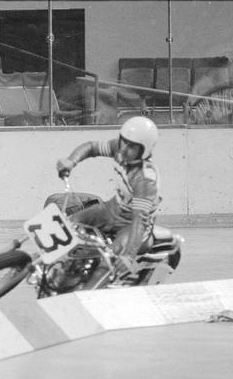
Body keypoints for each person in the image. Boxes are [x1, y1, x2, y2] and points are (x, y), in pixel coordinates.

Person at [55, 115, 161, 287]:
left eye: (132, 146)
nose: (125, 149)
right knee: (68, 224)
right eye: (124, 142)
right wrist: (71, 161)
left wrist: (128, 255)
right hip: (113, 208)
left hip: (131, 223)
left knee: (109, 261)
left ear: (145, 150)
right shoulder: (120, 149)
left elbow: (139, 221)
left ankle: (89, 295)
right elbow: (91, 147)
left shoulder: (145, 179)